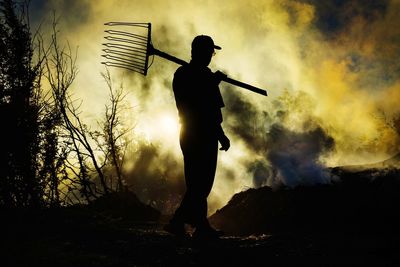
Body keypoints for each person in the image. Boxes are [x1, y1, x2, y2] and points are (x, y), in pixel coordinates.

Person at [164, 35, 230, 239]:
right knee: (198, 184)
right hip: (195, 133)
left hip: (206, 132)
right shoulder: (185, 75)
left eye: (212, 52)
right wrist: (211, 83)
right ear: (198, 52)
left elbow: (213, 111)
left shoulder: (204, 75)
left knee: (202, 183)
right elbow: (195, 106)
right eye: (209, 52)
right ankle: (180, 222)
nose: (211, 56)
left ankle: (199, 225)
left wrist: (220, 135)